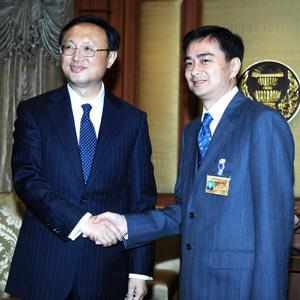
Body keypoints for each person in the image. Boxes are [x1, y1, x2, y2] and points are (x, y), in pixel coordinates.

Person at [96, 26, 295, 299]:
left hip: (239, 287)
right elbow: (187, 211)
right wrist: (125, 224)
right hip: (193, 285)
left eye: (205, 60)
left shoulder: (261, 123)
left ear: (233, 66)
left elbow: (273, 226)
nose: (194, 70)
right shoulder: (193, 132)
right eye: (188, 62)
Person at [5, 15, 156, 300]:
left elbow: (141, 199)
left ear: (110, 58)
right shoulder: (34, 112)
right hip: (45, 265)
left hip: (106, 267)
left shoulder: (132, 121)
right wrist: (82, 222)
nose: (76, 56)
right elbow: (27, 178)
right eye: (68, 47)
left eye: (88, 49)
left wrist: (139, 270)